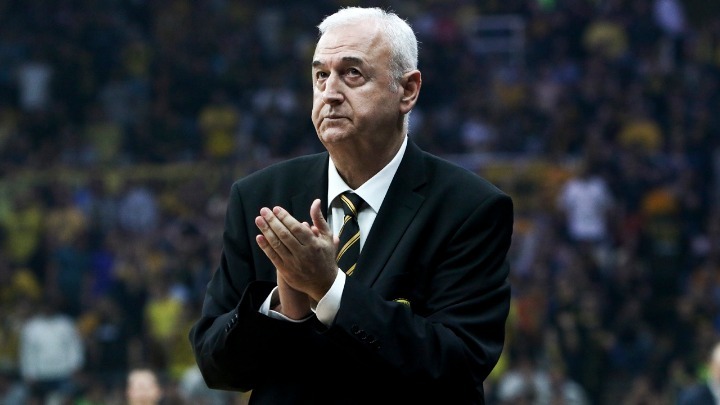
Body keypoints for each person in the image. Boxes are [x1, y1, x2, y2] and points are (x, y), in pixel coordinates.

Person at [189, 6, 514, 404]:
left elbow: (458, 366)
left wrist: (329, 288)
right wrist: (281, 307)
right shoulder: (259, 197)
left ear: (408, 90)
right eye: (320, 75)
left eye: (352, 73)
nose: (330, 92)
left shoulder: (470, 207)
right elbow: (215, 366)